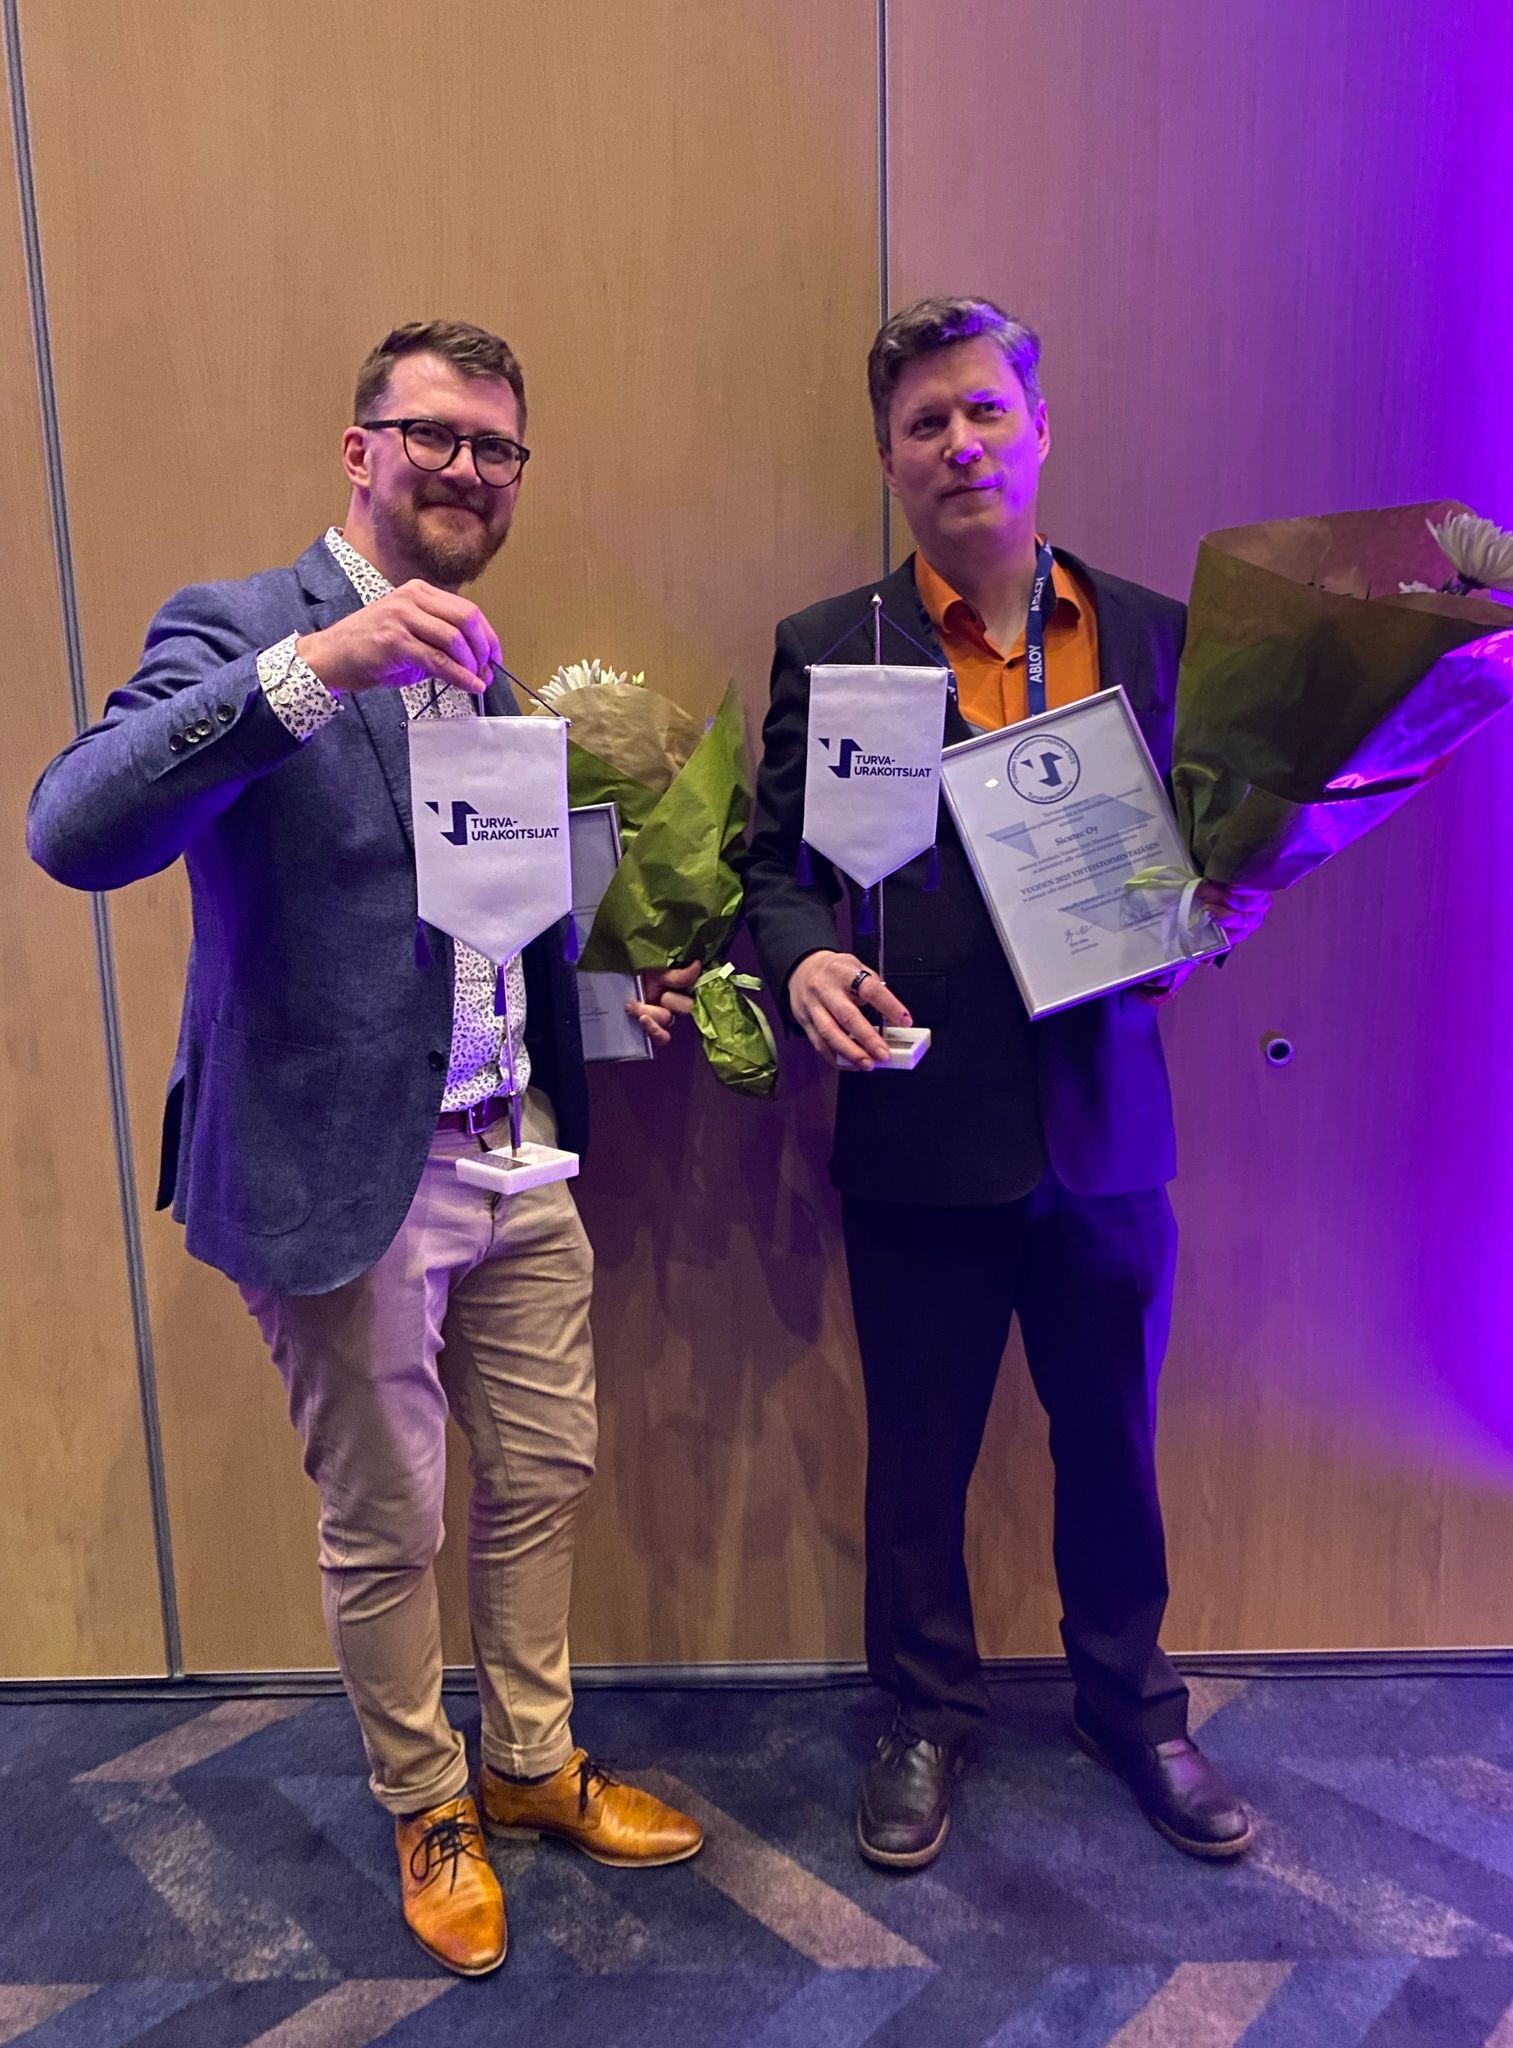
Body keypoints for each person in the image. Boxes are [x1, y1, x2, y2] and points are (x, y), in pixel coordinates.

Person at [28, 320, 703, 1976]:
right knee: (387, 1518)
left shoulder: (496, 676)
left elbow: (484, 946)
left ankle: (528, 1763)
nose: (468, 468)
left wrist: (614, 1011)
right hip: (343, 1172)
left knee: (543, 1477)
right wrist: (316, 670)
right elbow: (74, 826)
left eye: (497, 447)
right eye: (435, 434)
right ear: (359, 450)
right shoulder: (244, 628)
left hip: (516, 1153)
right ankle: (428, 1802)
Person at [743, 296, 1269, 1871]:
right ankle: (922, 1715)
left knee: (1114, 1441)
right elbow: (776, 869)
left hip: (1107, 1122)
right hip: (916, 1119)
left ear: (1041, 428)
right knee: (919, 1453)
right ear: (890, 460)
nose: (960, 443)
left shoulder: (1156, 631)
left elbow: (1213, 844)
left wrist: (1223, 907)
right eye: (926, 423)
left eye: (985, 411)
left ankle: (1134, 1707)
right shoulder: (835, 647)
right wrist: (801, 963)